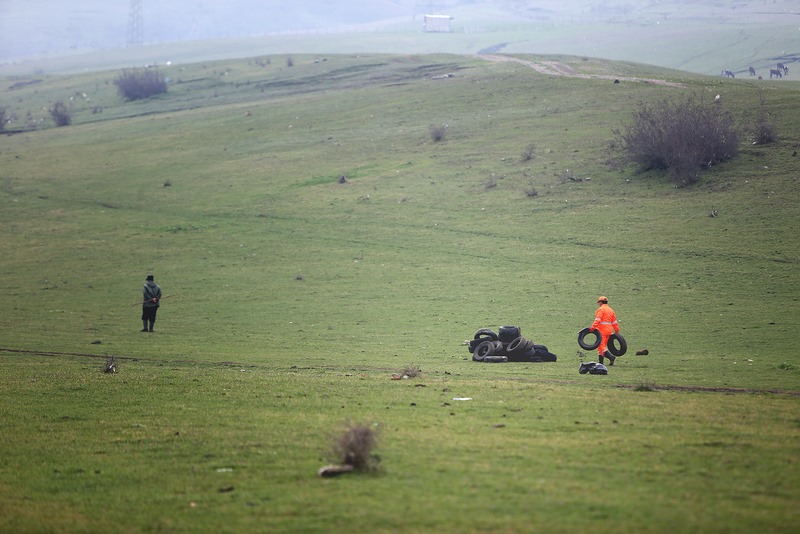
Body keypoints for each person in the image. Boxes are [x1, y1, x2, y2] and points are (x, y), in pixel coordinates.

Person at [588, 296, 620, 365]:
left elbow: (598, 320)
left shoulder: (601, 310)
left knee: (601, 347)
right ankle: (601, 363)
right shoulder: (611, 310)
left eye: (599, 302)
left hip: (601, 331)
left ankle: (611, 357)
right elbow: (614, 322)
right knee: (601, 347)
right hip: (609, 331)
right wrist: (616, 330)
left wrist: (592, 327)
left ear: (601, 302)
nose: (599, 304)